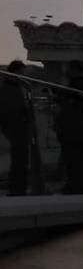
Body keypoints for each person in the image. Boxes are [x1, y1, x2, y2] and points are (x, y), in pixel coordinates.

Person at [55, 60, 83, 193]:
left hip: (73, 129)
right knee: (77, 158)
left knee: (74, 159)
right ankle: (79, 184)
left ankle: (76, 185)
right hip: (76, 128)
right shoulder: (82, 85)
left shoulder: (77, 86)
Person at [1, 60, 30, 196]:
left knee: (21, 159)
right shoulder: (8, 88)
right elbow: (10, 110)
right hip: (15, 128)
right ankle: (17, 189)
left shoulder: (16, 87)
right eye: (22, 73)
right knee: (19, 159)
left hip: (17, 128)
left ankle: (18, 187)